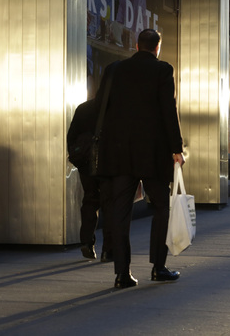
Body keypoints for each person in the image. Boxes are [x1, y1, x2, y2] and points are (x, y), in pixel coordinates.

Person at [95, 29, 184, 289]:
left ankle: (122, 273)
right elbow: (169, 110)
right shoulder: (163, 70)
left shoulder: (115, 70)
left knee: (120, 212)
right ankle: (158, 267)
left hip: (120, 153)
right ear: (157, 47)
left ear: (136, 45)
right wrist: (176, 149)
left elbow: (102, 106)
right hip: (153, 153)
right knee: (161, 208)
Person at [66, 99, 113, 262]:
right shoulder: (114, 109)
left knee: (90, 199)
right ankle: (108, 249)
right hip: (108, 163)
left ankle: (87, 241)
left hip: (86, 163)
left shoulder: (83, 108)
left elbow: (71, 136)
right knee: (109, 205)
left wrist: (79, 159)